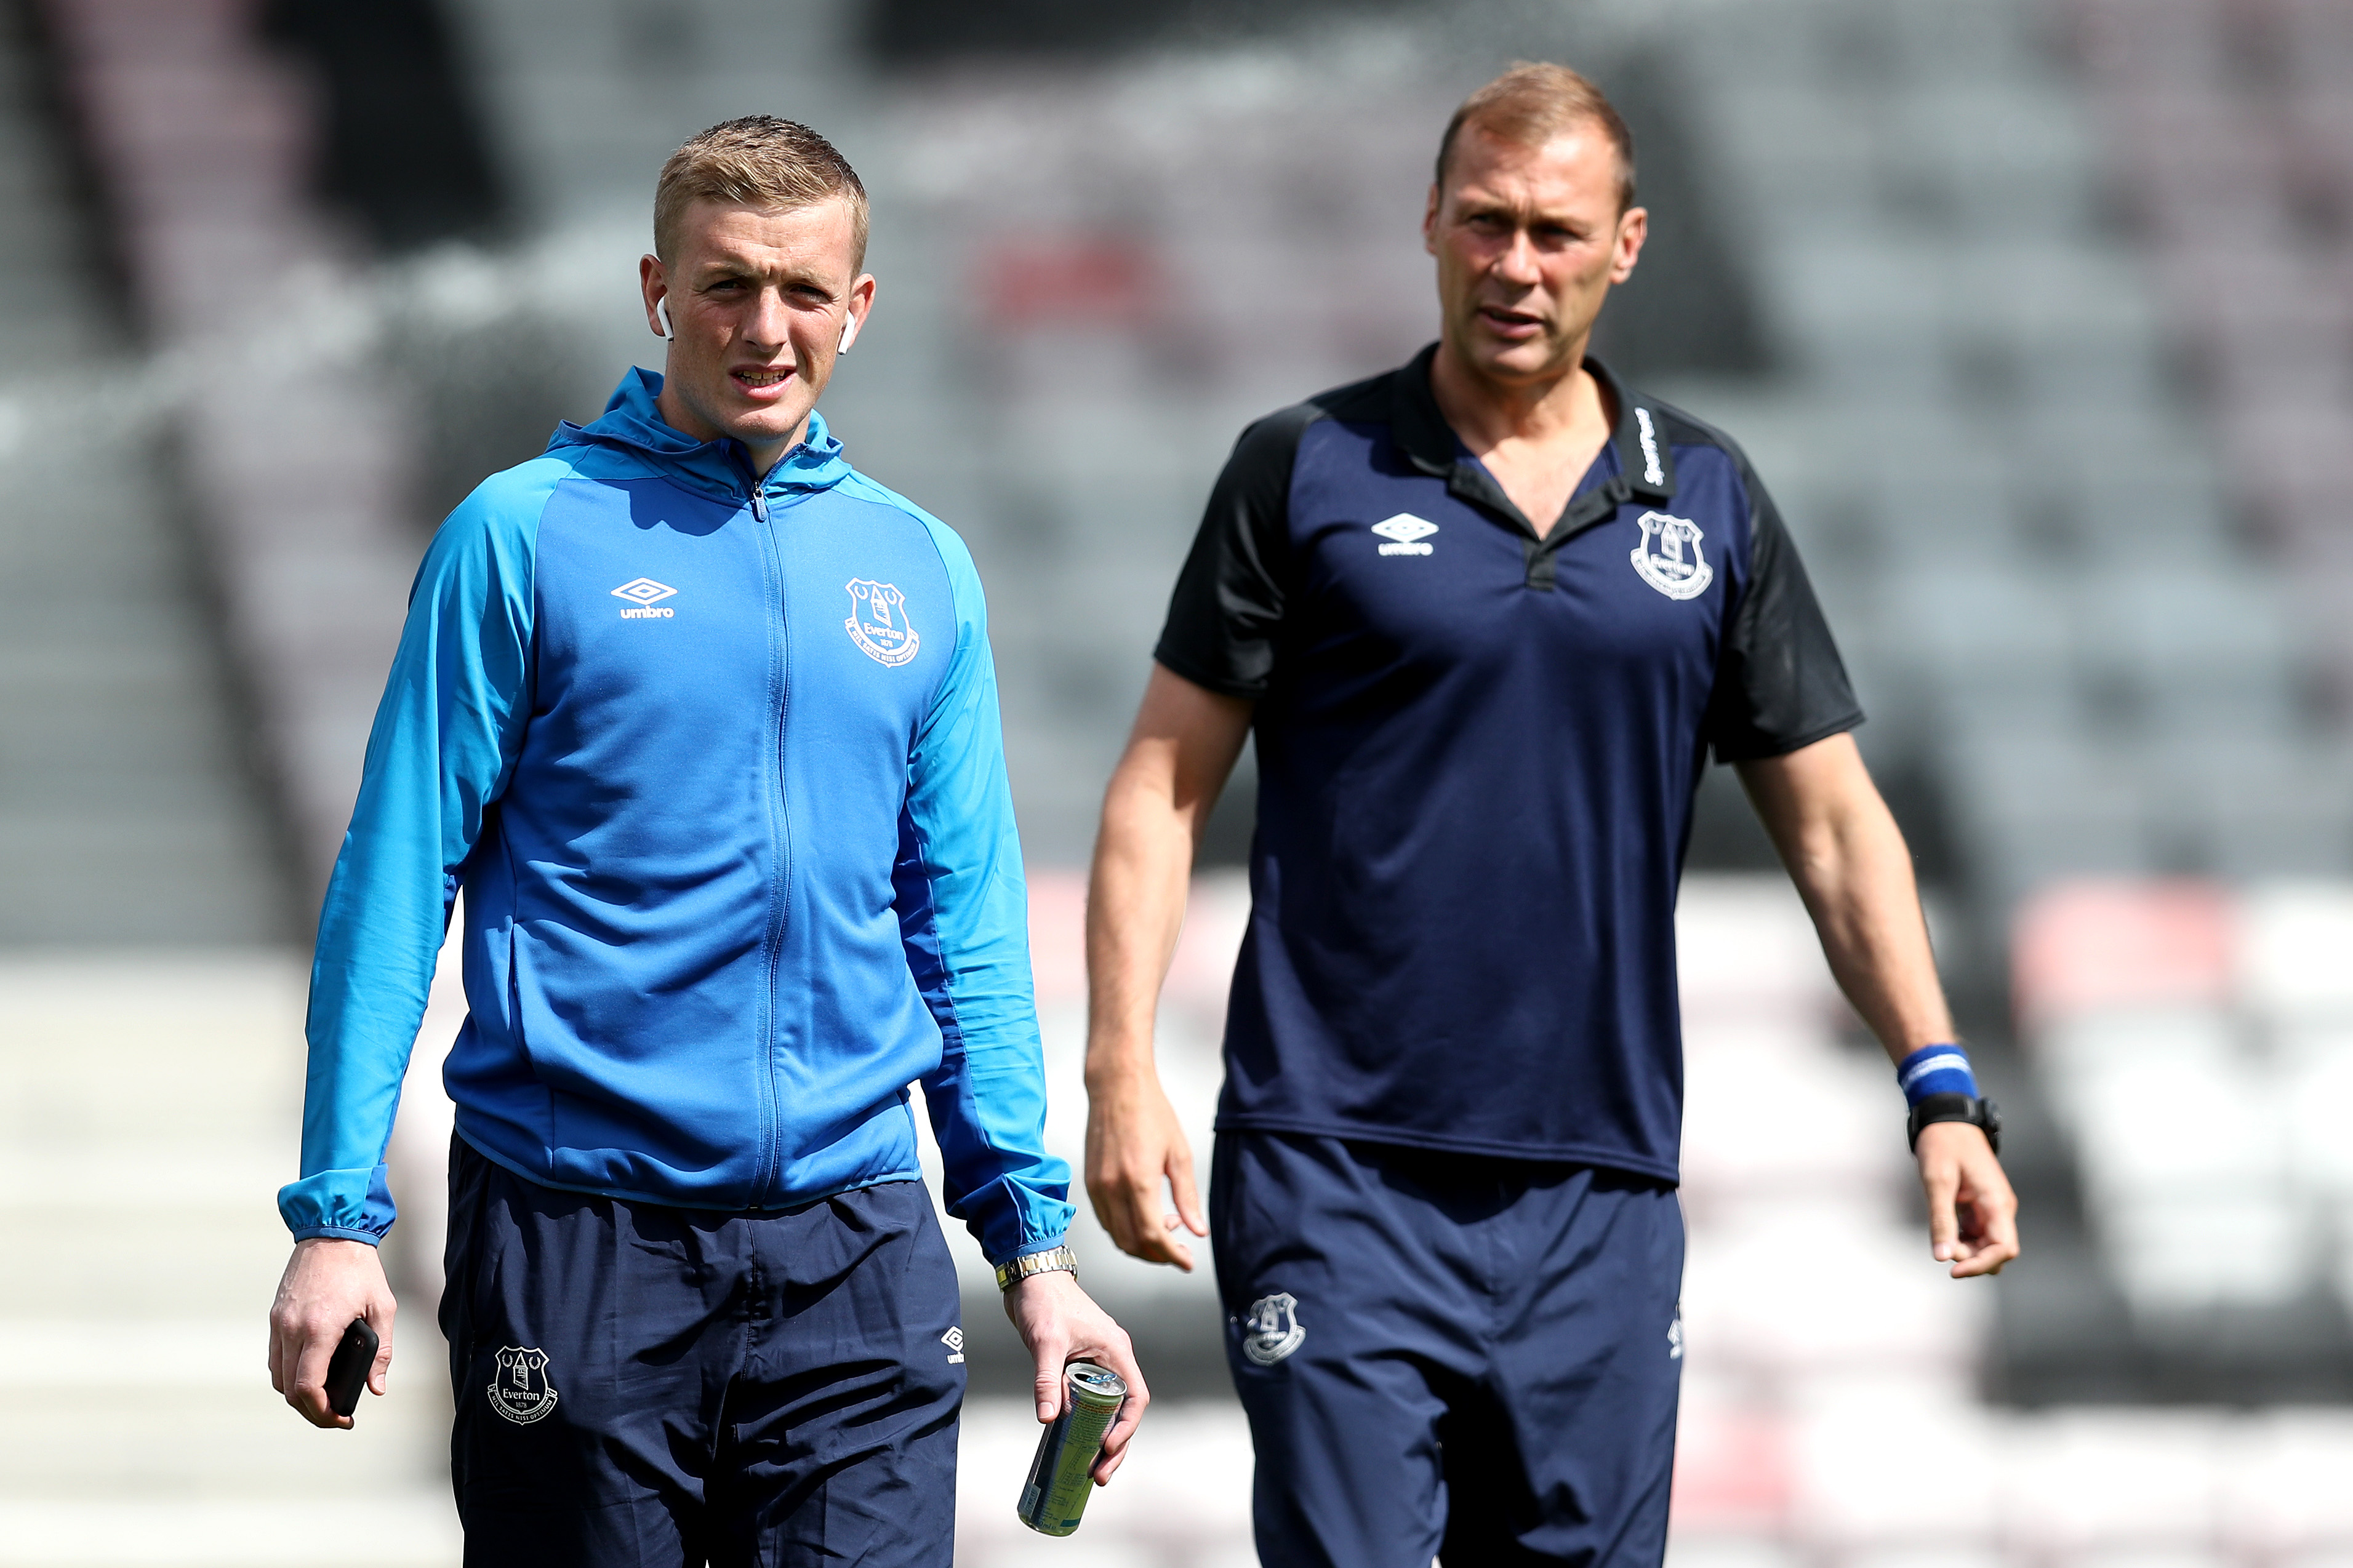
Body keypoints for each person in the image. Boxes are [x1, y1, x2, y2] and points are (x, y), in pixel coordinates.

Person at [1082, 62, 2018, 1567]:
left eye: (1556, 233)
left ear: (1624, 245)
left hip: (1601, 1181)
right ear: (1433, 227)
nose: (1517, 266)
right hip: (1335, 1162)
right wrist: (1120, 1070)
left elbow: (1835, 822)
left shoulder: (1707, 499)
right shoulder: (1302, 466)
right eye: (1487, 223)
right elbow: (1157, 783)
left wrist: (1941, 1085)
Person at [265, 115, 1145, 1566]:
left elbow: (962, 924)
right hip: (578, 1232)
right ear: (656, 288)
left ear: (859, 306)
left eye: (805, 291)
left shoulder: (919, 566)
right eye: (727, 285)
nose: (765, 328)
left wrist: (1034, 1252)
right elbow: (392, 876)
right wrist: (340, 1215)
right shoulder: (521, 534)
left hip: (858, 1246)